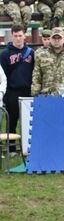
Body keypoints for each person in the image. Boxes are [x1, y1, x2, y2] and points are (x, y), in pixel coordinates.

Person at [0, 24, 34, 152]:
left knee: (28, 120)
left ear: (25, 35)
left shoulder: (31, 53)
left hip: (28, 91)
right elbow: (2, 76)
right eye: (15, 36)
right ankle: (12, 149)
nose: (18, 38)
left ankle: (27, 147)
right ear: (12, 36)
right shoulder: (4, 54)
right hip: (12, 92)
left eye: (20, 35)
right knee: (12, 121)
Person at [31, 27, 64, 97]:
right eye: (54, 38)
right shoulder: (41, 55)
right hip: (47, 97)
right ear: (50, 39)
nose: (56, 40)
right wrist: (35, 96)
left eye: (59, 38)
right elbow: (36, 78)